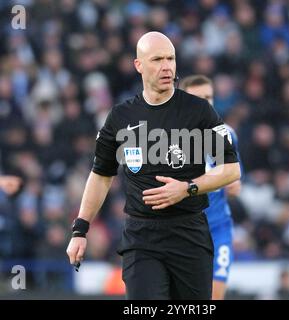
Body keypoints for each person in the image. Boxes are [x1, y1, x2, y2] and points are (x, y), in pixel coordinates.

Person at [66, 31, 240, 300]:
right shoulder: (121, 117)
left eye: (170, 58)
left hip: (190, 233)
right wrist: (80, 229)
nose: (167, 66)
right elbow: (101, 176)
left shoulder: (199, 111)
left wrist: (188, 188)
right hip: (142, 236)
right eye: (157, 59)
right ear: (139, 65)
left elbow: (230, 169)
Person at [181, 75, 242, 300]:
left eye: (209, 97)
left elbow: (235, 184)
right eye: (198, 98)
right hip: (183, 230)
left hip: (218, 229)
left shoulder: (227, 135)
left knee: (214, 298)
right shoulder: (169, 139)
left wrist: (232, 182)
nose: (206, 103)